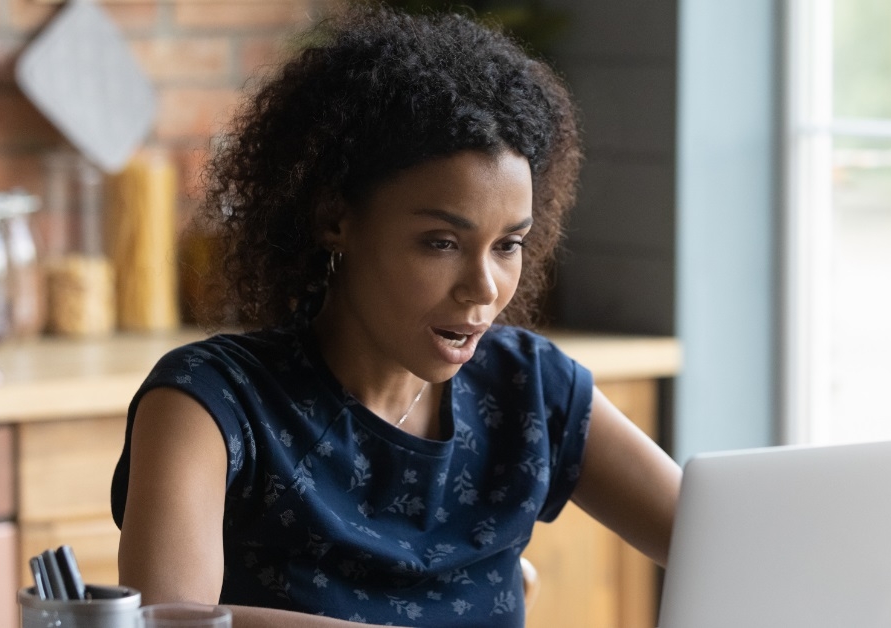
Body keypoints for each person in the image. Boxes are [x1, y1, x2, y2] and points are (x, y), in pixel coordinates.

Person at [110, 6, 681, 627]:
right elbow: (166, 621)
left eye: (507, 245)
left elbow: (726, 545)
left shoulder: (528, 389)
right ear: (335, 220)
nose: (484, 288)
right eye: (441, 242)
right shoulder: (212, 402)